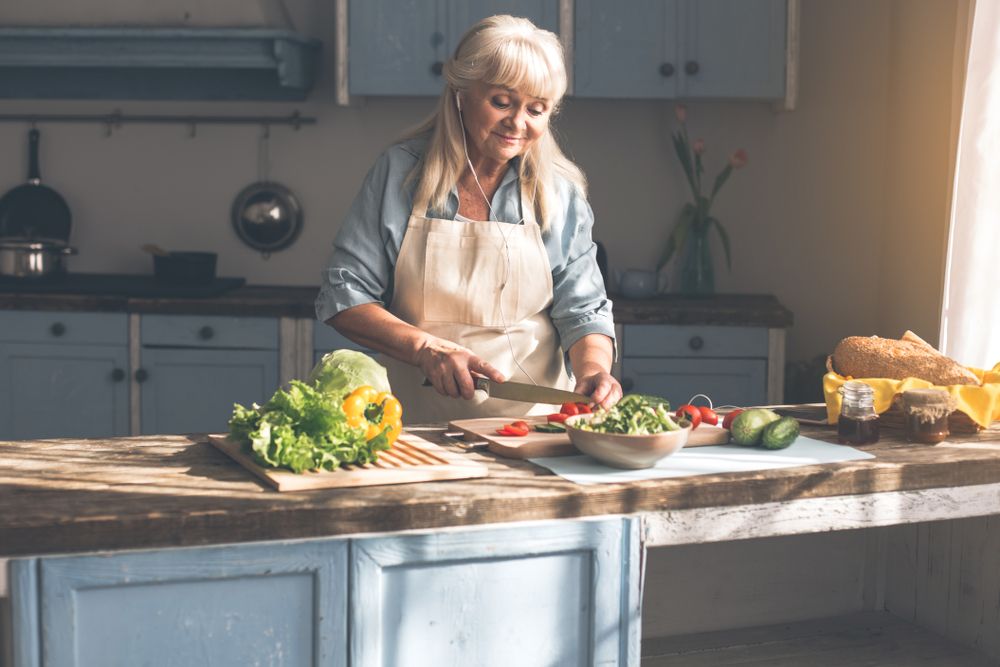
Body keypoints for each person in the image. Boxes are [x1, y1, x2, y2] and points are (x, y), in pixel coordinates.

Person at [315, 14, 620, 423]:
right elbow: (344, 296)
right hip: (416, 423)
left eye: (536, 109)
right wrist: (426, 349)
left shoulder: (559, 194)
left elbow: (584, 311)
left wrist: (595, 370)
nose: (517, 123)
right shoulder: (401, 175)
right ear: (461, 93)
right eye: (502, 101)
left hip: (537, 426)